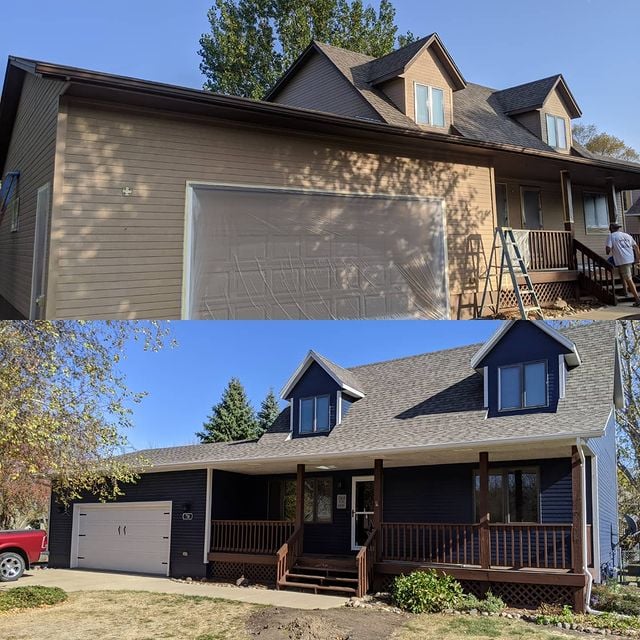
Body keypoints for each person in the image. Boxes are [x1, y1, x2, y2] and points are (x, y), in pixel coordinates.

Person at [606, 223, 640, 307]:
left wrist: (608, 249)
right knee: (622, 273)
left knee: (629, 279)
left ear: (611, 229)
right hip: (630, 259)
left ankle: (638, 299)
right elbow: (636, 247)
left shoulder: (611, 236)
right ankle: (625, 291)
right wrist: (638, 259)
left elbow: (608, 250)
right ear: (618, 228)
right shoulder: (627, 235)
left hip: (623, 260)